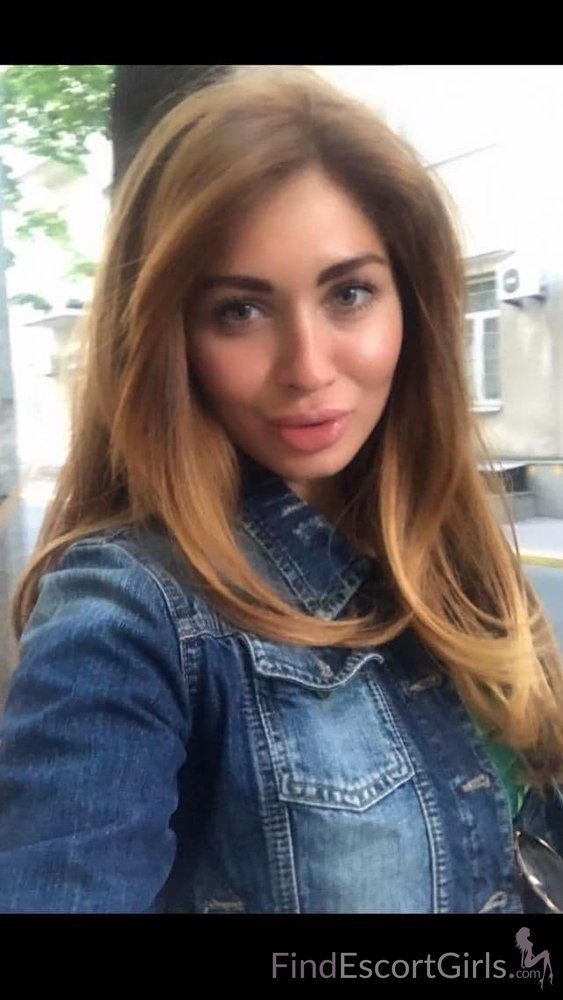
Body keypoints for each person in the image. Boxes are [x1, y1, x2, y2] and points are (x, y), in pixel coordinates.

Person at [0, 65, 562, 914]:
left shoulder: (444, 547)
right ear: (168, 336)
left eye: (349, 293)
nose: (306, 368)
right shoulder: (126, 613)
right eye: (240, 310)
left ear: (409, 304)